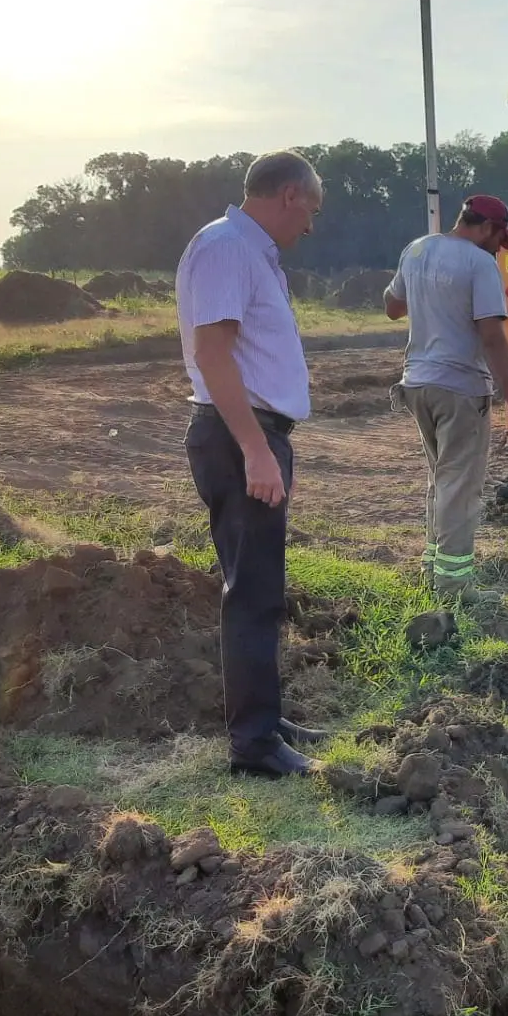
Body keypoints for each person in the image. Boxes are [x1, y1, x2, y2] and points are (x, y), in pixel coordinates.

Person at [177, 149, 326, 779]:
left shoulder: (247, 250)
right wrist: (257, 450)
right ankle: (255, 746)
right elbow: (214, 356)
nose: (310, 226)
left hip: (252, 435)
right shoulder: (227, 248)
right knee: (254, 595)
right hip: (242, 437)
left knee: (260, 588)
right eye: (311, 210)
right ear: (289, 194)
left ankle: (262, 718)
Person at [384, 195, 508, 603]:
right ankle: (455, 587)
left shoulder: (417, 250)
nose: (501, 248)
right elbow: (493, 336)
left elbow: (392, 307)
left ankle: (433, 569)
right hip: (461, 387)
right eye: (500, 238)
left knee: (441, 480)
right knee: (460, 487)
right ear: (484, 227)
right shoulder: (478, 264)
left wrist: (427, 296)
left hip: (418, 385)